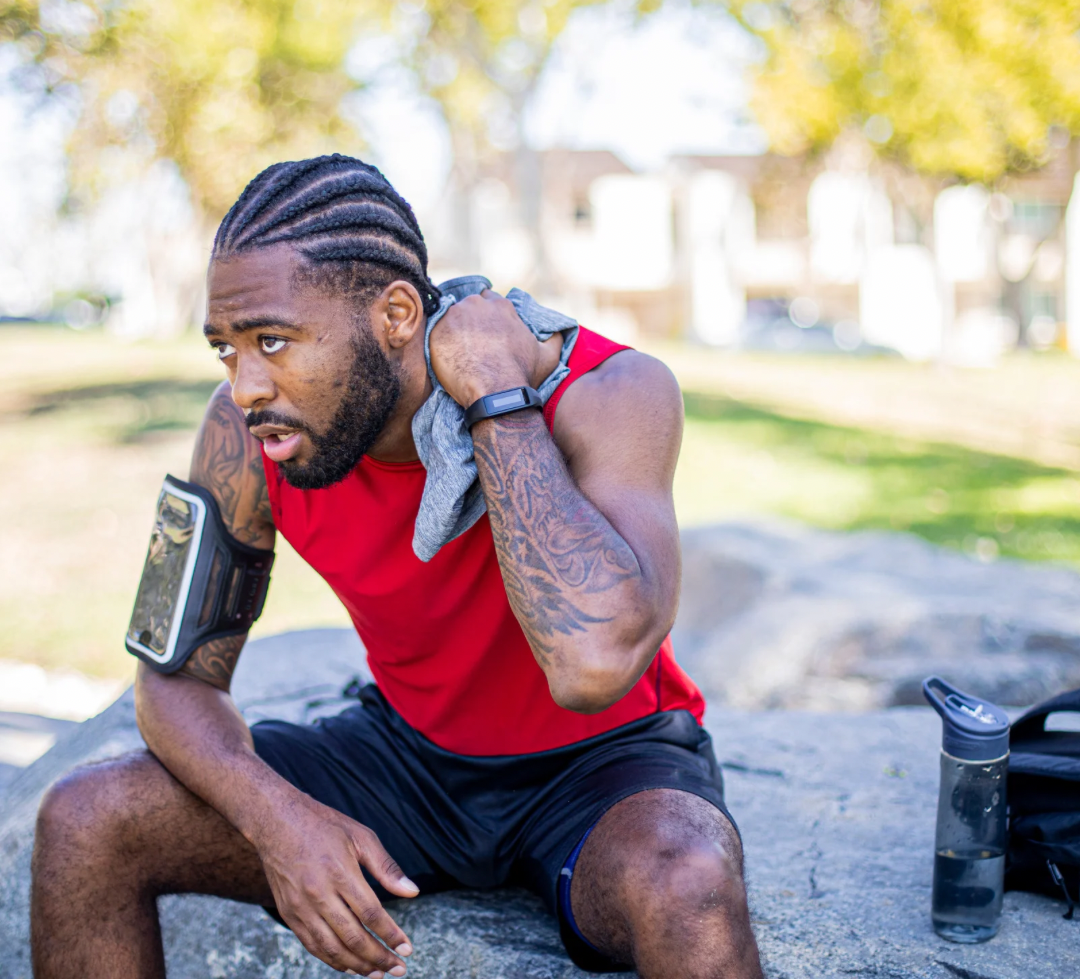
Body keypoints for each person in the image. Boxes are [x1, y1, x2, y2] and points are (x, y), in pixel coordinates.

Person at [30, 155, 763, 979]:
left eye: (272, 340)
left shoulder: (608, 390)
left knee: (688, 882)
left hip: (604, 766)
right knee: (86, 818)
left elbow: (594, 665)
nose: (244, 385)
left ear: (397, 314)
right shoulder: (243, 435)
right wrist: (282, 823)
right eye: (225, 350)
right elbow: (171, 679)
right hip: (407, 761)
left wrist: (491, 390)